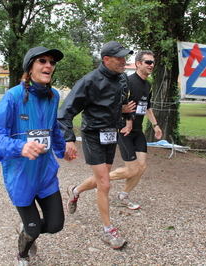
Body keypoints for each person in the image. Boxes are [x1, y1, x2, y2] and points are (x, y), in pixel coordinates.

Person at [0, 46, 77, 266]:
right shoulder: (14, 96)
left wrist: (63, 150)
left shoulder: (53, 96)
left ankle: (28, 229)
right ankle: (22, 254)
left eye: (52, 62)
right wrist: (20, 147)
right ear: (30, 67)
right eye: (42, 61)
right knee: (33, 227)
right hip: (21, 174)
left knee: (55, 225)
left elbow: (52, 129)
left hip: (46, 174)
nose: (48, 66)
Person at [58, 40, 133, 250]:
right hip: (92, 136)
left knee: (103, 180)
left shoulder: (122, 79)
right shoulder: (89, 81)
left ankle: (75, 190)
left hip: (111, 134)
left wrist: (126, 117)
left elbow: (120, 105)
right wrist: (69, 139)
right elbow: (65, 113)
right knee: (106, 184)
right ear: (106, 59)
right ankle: (108, 231)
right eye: (119, 58)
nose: (124, 61)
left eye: (125, 57)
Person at [109, 50, 162, 210]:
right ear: (138, 64)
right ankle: (99, 179)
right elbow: (118, 105)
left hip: (138, 132)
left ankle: (122, 197)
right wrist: (127, 120)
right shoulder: (128, 82)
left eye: (153, 62)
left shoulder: (148, 85)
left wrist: (155, 125)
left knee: (141, 167)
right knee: (132, 170)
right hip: (125, 131)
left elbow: (147, 107)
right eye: (148, 62)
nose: (151, 65)